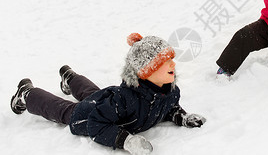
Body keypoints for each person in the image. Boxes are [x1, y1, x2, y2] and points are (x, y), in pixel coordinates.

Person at [10, 33, 206, 154]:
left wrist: (181, 116)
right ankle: (27, 94)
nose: (173, 64)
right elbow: (96, 124)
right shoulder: (124, 100)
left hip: (105, 102)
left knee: (93, 94)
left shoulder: (169, 91)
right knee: (68, 111)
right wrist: (125, 140)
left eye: (171, 59)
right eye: (164, 63)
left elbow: (168, 107)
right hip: (90, 115)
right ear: (145, 72)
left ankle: (70, 77)